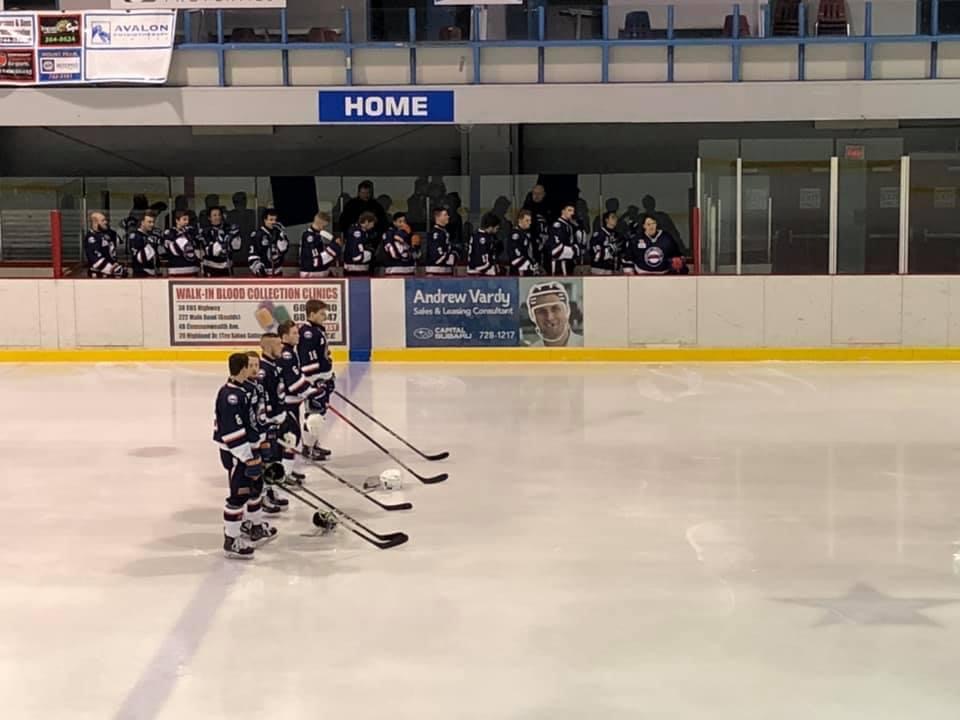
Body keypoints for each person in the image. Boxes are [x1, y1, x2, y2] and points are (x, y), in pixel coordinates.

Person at [213, 353, 278, 560]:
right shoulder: (230, 396)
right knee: (238, 496)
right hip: (236, 454)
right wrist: (247, 457)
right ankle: (231, 540)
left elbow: (253, 421)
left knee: (255, 490)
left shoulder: (244, 390)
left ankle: (255, 526)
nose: (253, 369)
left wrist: (263, 441)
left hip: (250, 449)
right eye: (249, 366)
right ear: (242, 368)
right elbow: (232, 433)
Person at [275, 320, 319, 485]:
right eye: (294, 333)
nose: (298, 336)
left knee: (290, 437)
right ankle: (284, 474)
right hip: (286, 404)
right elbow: (293, 383)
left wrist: (311, 388)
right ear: (284, 336)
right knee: (291, 437)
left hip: (291, 403)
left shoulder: (291, 352)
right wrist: (312, 391)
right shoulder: (287, 354)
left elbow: (297, 378)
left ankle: (286, 469)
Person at [256, 333, 290, 512]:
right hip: (269, 422)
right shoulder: (263, 370)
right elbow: (261, 399)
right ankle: (262, 497)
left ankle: (270, 491)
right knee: (267, 459)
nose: (282, 347)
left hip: (277, 420)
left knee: (275, 458)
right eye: (278, 345)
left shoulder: (274, 365)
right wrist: (268, 421)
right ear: (268, 347)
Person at [297, 299, 334, 462]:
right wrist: (315, 381)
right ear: (311, 314)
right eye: (321, 313)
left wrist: (328, 376)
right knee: (313, 415)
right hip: (315, 380)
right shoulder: (308, 333)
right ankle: (308, 448)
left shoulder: (316, 330)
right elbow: (307, 361)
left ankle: (314, 443)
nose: (325, 316)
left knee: (319, 414)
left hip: (322, 378)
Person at [525, 281, 584, 348]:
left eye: (555, 308)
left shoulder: (587, 345)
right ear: (532, 316)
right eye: (541, 311)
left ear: (567, 310)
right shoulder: (530, 353)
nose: (549, 317)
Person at [201, 207, 241, 277]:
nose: (218, 217)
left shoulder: (228, 229)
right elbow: (211, 251)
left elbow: (236, 247)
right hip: (211, 269)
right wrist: (225, 240)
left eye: (219, 215)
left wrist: (234, 236)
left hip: (227, 269)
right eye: (215, 215)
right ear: (209, 218)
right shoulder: (205, 232)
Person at [248, 208, 288, 277]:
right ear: (265, 220)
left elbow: (283, 250)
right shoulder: (258, 235)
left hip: (278, 272)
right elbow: (253, 255)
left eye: (275, 220)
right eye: (271, 220)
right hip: (263, 273)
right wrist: (258, 268)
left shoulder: (279, 233)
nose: (273, 222)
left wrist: (282, 236)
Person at [84, 211, 125, 278]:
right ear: (95, 222)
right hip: (99, 275)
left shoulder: (110, 233)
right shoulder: (91, 238)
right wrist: (114, 269)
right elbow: (96, 260)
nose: (106, 222)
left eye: (105, 220)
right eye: (103, 220)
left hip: (112, 273)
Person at [300, 212, 340, 278]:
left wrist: (334, 239)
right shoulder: (309, 236)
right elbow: (314, 256)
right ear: (320, 223)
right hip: (312, 272)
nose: (324, 228)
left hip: (315, 269)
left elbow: (325, 234)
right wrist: (334, 247)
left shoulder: (316, 234)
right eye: (324, 226)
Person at [544, 203, 581, 276]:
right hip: (557, 258)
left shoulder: (569, 225)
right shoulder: (558, 224)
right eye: (569, 210)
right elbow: (556, 244)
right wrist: (574, 249)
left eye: (573, 211)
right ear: (563, 211)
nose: (572, 213)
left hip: (566, 258)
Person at [164, 209, 201, 277]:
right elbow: (173, 251)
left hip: (193, 270)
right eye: (184, 219)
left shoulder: (191, 231)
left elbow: (198, 249)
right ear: (177, 220)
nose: (187, 222)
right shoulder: (170, 233)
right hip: (176, 270)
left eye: (188, 219)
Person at [502, 209, 539, 276]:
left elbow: (527, 252)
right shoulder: (515, 234)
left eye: (530, 220)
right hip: (517, 269)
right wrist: (527, 263)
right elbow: (514, 253)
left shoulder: (526, 234)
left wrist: (533, 262)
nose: (530, 223)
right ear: (520, 220)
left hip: (526, 266)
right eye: (527, 220)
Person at [423, 207, 457, 275]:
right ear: (437, 217)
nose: (448, 216)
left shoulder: (444, 232)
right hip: (436, 271)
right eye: (445, 215)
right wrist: (450, 256)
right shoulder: (435, 233)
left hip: (445, 270)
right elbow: (436, 255)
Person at [381, 211, 417, 275]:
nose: (403, 224)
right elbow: (391, 252)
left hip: (409, 268)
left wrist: (415, 245)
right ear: (394, 222)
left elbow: (416, 254)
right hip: (394, 268)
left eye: (404, 221)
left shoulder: (411, 234)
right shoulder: (389, 234)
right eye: (400, 221)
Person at [129, 210, 161, 278]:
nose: (152, 224)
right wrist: (150, 244)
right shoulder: (135, 236)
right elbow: (140, 258)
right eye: (149, 222)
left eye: (153, 222)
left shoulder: (153, 235)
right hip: (141, 274)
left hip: (155, 273)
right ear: (142, 222)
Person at [343, 211, 377, 275]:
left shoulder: (364, 232)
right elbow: (355, 252)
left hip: (360, 266)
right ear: (366, 222)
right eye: (372, 223)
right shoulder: (356, 232)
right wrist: (369, 253)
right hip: (354, 268)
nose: (373, 226)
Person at [589, 211, 621, 275]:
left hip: (613, 268)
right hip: (599, 268)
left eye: (616, 217)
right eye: (613, 217)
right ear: (606, 220)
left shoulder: (617, 235)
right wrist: (607, 250)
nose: (615, 219)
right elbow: (594, 250)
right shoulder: (599, 233)